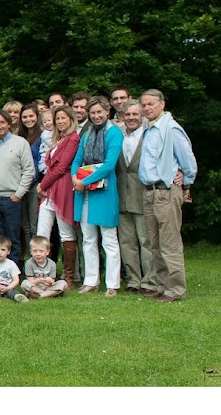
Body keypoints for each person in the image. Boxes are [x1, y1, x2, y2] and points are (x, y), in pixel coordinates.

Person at [137, 89, 197, 303]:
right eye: (144, 105)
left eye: (151, 104)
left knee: (169, 243)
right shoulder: (148, 128)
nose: (147, 108)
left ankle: (176, 289)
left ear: (162, 104)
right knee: (154, 243)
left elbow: (188, 161)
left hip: (166, 191)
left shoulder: (171, 129)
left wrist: (186, 182)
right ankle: (162, 286)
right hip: (149, 192)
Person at [71, 95, 124, 296]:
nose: (96, 116)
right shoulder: (87, 134)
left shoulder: (114, 133)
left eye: (99, 112)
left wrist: (83, 181)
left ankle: (112, 283)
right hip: (84, 193)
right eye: (92, 113)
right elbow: (77, 160)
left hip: (104, 191)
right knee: (88, 239)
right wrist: (75, 177)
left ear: (107, 112)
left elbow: (110, 164)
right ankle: (90, 280)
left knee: (109, 239)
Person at [0, 110, 35, 270]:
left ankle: (13, 271)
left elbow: (29, 170)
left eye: (2, 122)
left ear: (9, 124)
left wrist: (18, 194)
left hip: (12, 198)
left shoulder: (20, 143)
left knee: (12, 237)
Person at [36, 106, 81, 288]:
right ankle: (40, 275)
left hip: (62, 187)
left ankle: (69, 276)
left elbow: (61, 167)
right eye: (58, 119)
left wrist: (42, 184)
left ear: (71, 119)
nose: (61, 122)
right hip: (50, 189)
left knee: (65, 233)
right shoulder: (58, 139)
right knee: (42, 232)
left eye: (64, 118)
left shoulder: (73, 139)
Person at [115, 100, 156, 294]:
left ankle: (150, 280)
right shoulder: (118, 135)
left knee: (146, 241)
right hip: (121, 194)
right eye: (128, 115)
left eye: (135, 114)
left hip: (142, 194)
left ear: (142, 116)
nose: (131, 118)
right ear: (122, 117)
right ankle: (133, 280)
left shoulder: (150, 135)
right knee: (126, 241)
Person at [18, 104, 46, 260]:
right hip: (20, 185)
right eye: (25, 117)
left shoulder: (43, 136)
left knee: (35, 225)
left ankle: (38, 258)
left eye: (31, 116)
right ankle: (30, 259)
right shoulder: (19, 137)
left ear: (37, 117)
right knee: (25, 226)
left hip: (36, 184)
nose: (28, 119)